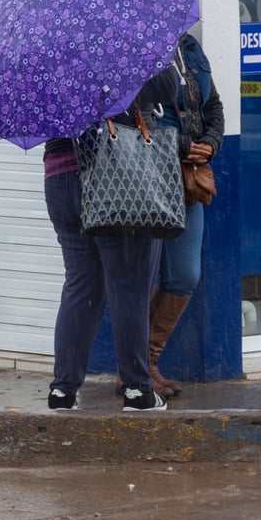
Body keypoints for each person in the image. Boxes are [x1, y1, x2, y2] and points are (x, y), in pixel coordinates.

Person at [43, 68, 177, 412]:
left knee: (80, 285)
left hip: (61, 175)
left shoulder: (49, 50)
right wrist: (153, 58)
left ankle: (63, 391)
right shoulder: (126, 41)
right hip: (116, 170)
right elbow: (166, 87)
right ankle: (137, 391)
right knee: (129, 286)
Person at [145, 33, 224, 397]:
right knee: (140, 277)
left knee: (184, 274)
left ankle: (148, 359)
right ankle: (136, 369)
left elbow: (213, 105)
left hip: (189, 178)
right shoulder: (138, 47)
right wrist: (178, 143)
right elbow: (131, 114)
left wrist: (212, 142)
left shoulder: (190, 47)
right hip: (147, 176)